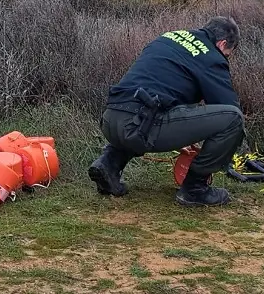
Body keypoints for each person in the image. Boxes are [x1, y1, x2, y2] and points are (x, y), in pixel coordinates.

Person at [88, 16, 246, 207]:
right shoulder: (211, 56)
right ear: (222, 44)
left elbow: (163, 88)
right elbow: (228, 108)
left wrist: (185, 132)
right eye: (228, 54)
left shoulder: (169, 37)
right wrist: (227, 150)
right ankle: (195, 189)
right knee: (234, 119)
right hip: (140, 127)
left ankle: (108, 164)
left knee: (145, 113)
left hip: (111, 119)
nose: (226, 59)